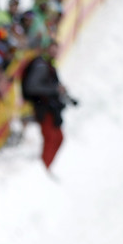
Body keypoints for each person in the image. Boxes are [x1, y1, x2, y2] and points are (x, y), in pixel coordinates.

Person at [21, 39, 75, 170]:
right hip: (43, 108)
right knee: (51, 137)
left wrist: (68, 97)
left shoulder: (49, 65)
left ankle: (46, 168)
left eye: (56, 49)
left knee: (58, 137)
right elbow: (32, 87)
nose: (54, 52)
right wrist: (55, 90)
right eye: (52, 49)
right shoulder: (41, 65)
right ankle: (43, 168)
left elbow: (55, 86)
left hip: (50, 108)